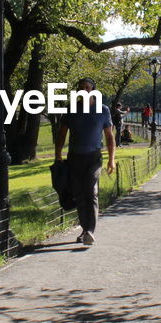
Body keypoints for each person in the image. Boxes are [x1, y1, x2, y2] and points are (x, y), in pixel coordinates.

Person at [53, 78, 116, 246]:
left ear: (93, 90)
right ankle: (85, 229)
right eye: (81, 88)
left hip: (93, 157)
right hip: (74, 157)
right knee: (79, 194)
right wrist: (58, 155)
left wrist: (111, 160)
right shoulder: (71, 110)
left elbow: (109, 137)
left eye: (87, 87)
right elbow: (62, 134)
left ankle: (90, 231)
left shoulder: (103, 110)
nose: (84, 90)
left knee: (91, 191)